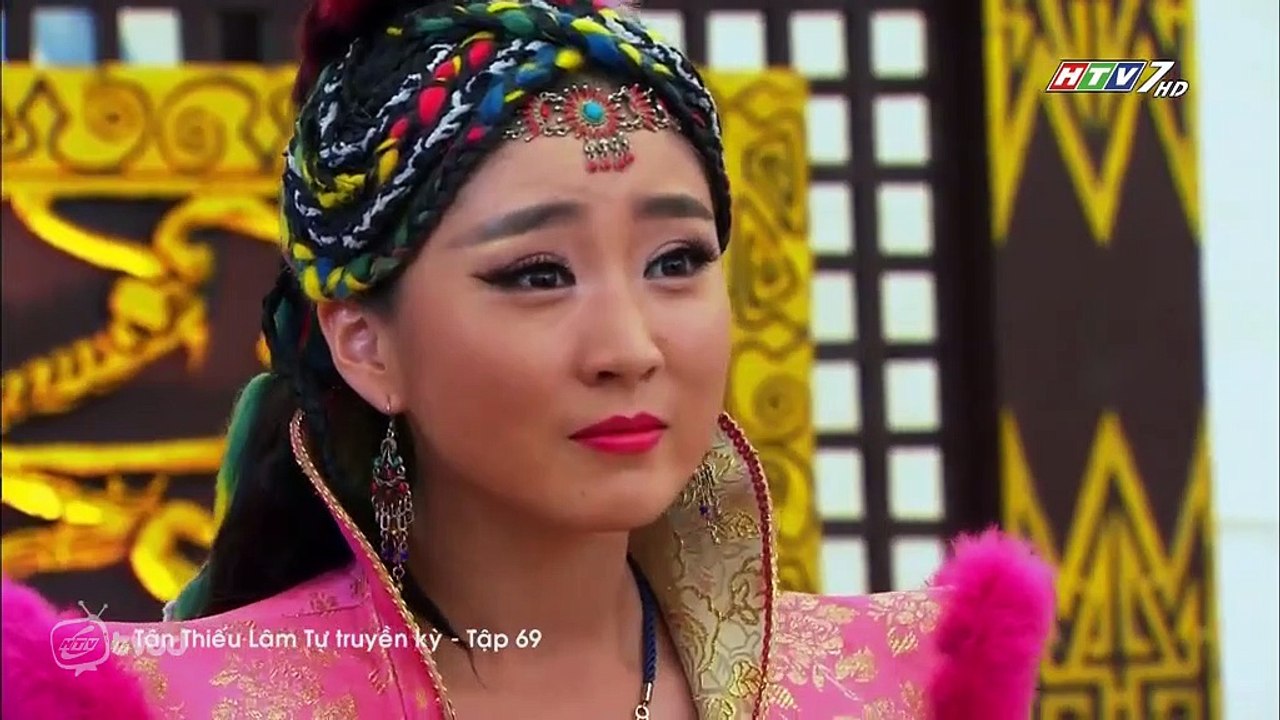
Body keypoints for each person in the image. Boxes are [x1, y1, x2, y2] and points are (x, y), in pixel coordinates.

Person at [0, 1, 1055, 718]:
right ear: (365, 343)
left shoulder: (895, 686)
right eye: (538, 274)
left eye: (676, 261)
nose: (629, 348)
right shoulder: (175, 704)